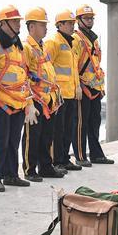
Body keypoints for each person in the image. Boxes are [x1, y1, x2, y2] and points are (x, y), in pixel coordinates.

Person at [0, 5, 35, 191]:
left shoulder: (18, 47)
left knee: (13, 141)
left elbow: (24, 73)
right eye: (15, 21)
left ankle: (11, 175)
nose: (18, 24)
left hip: (17, 101)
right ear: (3, 23)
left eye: (19, 21)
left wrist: (28, 100)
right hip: (0, 103)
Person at [22, 8, 64, 181]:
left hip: (48, 99)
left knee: (47, 135)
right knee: (33, 136)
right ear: (32, 27)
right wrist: (28, 102)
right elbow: (23, 74)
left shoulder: (42, 47)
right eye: (42, 25)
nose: (46, 28)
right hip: (36, 97)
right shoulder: (26, 47)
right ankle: (29, 170)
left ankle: (45, 166)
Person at [74, 5, 113, 164]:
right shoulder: (76, 39)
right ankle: (81, 156)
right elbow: (73, 65)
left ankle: (96, 154)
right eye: (86, 18)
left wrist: (101, 87)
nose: (90, 21)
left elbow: (97, 65)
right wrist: (77, 86)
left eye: (91, 18)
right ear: (79, 20)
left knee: (94, 123)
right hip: (83, 87)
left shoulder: (95, 39)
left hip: (95, 87)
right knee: (81, 124)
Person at [46, 10, 84, 171]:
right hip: (59, 94)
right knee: (58, 129)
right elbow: (47, 67)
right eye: (69, 23)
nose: (72, 26)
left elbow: (74, 68)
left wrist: (78, 87)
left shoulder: (74, 42)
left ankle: (65, 158)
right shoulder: (53, 42)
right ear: (59, 25)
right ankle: (57, 160)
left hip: (71, 93)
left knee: (68, 128)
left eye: (73, 23)